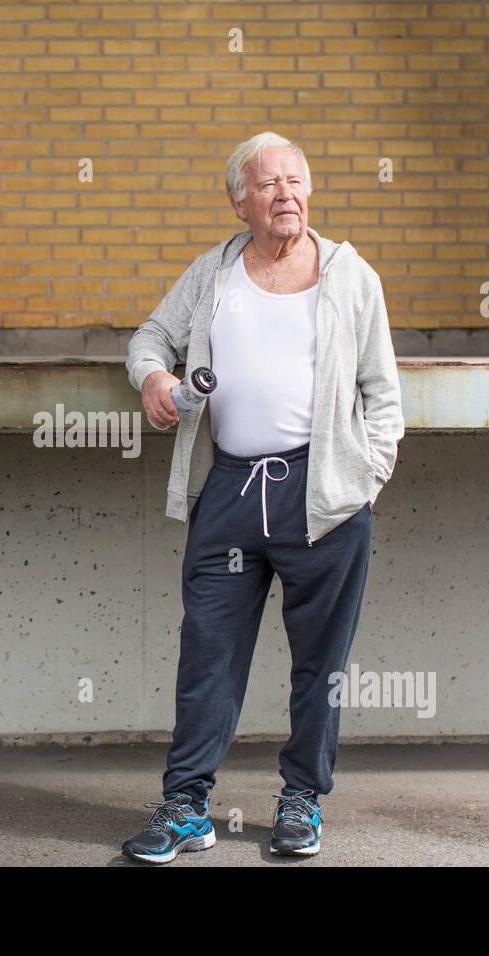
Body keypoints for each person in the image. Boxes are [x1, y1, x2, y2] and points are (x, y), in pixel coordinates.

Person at [121, 131, 404, 863]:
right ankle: (186, 807)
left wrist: (363, 477)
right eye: (269, 183)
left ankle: (302, 800)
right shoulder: (214, 272)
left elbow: (383, 395)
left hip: (323, 497)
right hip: (231, 491)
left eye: (297, 181)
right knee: (209, 650)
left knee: (320, 660)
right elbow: (150, 337)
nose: (287, 194)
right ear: (238, 199)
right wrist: (154, 378)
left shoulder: (350, 276)